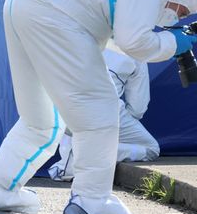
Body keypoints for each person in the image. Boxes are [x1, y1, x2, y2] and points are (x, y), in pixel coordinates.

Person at [0, 0, 197, 214]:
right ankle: (91, 199)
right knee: (101, 110)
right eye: (181, 12)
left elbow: (114, 32)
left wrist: (166, 41)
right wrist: (174, 44)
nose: (176, 18)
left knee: (40, 120)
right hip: (54, 14)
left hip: (22, 2)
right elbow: (134, 41)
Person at [48, 48, 159, 182]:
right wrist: (116, 127)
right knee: (151, 149)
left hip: (60, 105)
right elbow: (137, 108)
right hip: (106, 109)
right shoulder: (137, 49)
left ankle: (83, 154)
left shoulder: (80, 32)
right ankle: (91, 155)